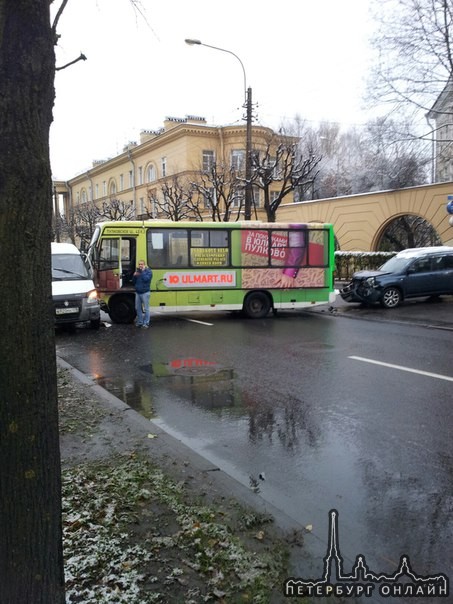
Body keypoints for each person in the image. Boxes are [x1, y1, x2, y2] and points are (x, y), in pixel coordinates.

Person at [132, 260, 152, 328]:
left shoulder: (148, 271)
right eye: (139, 264)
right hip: (138, 292)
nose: (140, 265)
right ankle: (140, 322)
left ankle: (146, 323)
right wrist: (134, 276)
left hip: (145, 292)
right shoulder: (137, 272)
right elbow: (134, 282)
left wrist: (143, 272)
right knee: (137, 308)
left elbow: (146, 279)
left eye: (142, 264)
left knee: (146, 309)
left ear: (145, 265)